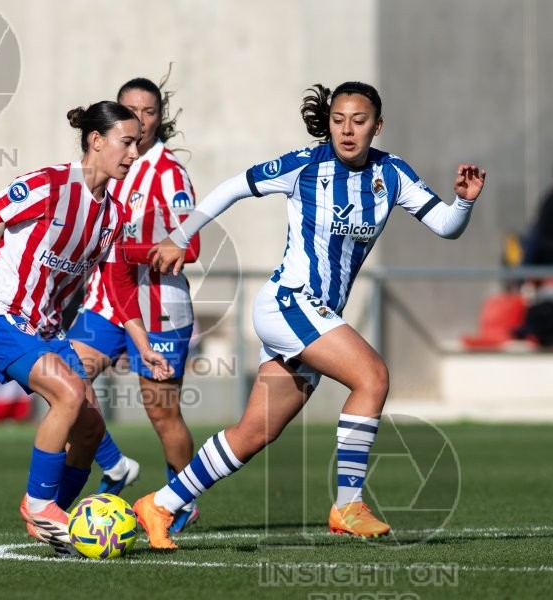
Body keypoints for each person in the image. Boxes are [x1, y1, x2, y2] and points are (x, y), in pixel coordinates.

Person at [132, 81, 487, 549]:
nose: (347, 129)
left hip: (315, 315)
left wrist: (463, 200)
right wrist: (180, 235)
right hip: (290, 301)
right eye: (339, 119)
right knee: (373, 377)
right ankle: (347, 504)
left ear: (377, 126)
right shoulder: (305, 165)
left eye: (359, 121)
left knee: (254, 432)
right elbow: (234, 187)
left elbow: (445, 226)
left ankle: (160, 504)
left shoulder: (392, 173)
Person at [0, 100, 173, 555]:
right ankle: (39, 504)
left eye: (137, 144)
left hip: (44, 331)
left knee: (91, 429)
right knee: (69, 395)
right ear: (97, 141)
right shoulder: (50, 184)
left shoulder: (111, 215)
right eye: (126, 142)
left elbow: (116, 283)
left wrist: (143, 344)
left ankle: (53, 517)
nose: (134, 153)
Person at [67, 76, 202, 533]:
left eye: (149, 112)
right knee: (64, 381)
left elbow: (192, 245)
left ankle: (180, 501)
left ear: (161, 117)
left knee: (163, 414)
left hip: (160, 308)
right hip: (106, 303)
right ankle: (114, 463)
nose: (140, 121)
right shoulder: (107, 162)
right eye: (131, 111)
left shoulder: (169, 173)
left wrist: (126, 251)